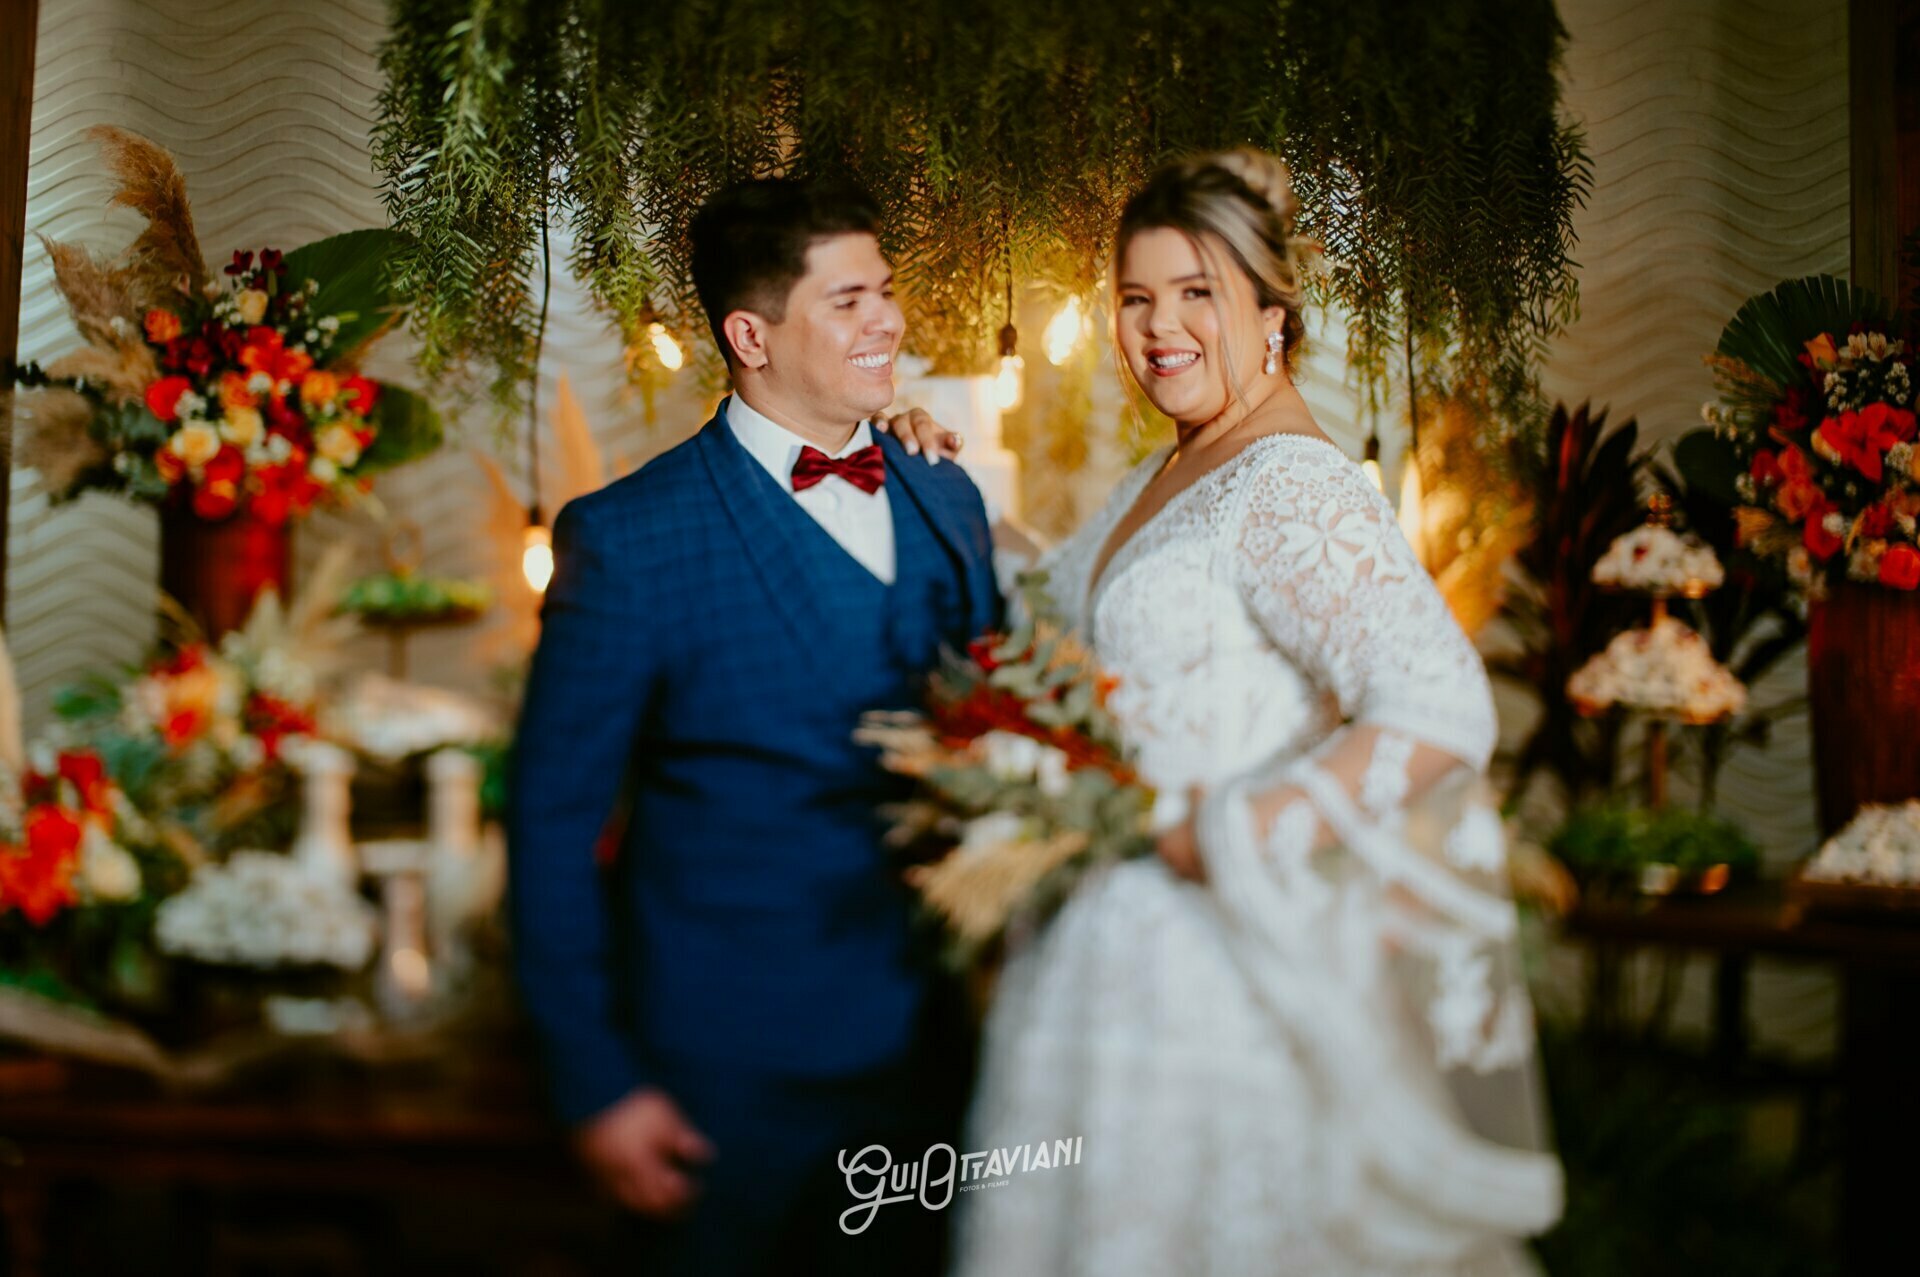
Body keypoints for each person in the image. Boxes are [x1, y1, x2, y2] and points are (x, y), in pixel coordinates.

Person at [951, 150, 1563, 1275]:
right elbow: (1066, 604)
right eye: (1135, 298)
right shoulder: (1169, 469)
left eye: (1198, 293)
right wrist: (957, 491)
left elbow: (1440, 703)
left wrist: (1236, 828)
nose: (1157, 328)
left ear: (1272, 312)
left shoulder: (1290, 480)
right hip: (1101, 964)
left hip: (1213, 974)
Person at [506, 176, 999, 1275]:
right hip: (720, 1076)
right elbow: (548, 825)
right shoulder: (630, 538)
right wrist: (597, 1083)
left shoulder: (944, 493)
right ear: (750, 333)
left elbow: (1000, 727)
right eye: (849, 299)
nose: (889, 321)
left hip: (928, 1056)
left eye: (887, 290)